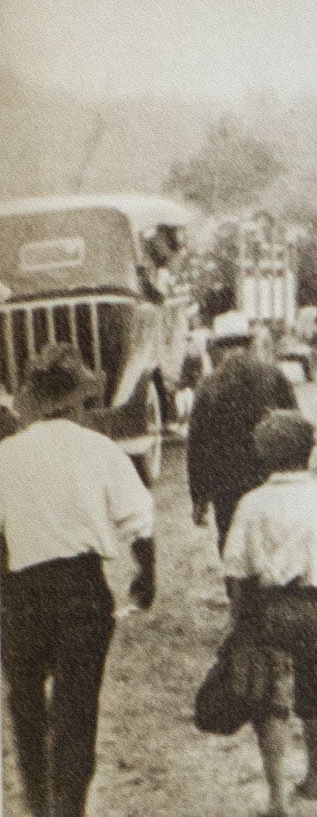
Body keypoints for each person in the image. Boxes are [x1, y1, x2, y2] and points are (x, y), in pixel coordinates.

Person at [0, 344, 157, 817]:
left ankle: (39, 805)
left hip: (19, 591)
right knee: (77, 708)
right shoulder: (99, 448)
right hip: (81, 590)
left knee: (26, 704)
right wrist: (147, 574)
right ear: (77, 400)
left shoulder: (5, 455)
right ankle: (71, 808)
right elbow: (139, 522)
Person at [220, 411, 317, 817]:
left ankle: (276, 800)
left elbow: (238, 573)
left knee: (270, 701)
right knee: (314, 692)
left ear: (262, 454)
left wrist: (236, 625)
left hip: (267, 610)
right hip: (314, 609)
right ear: (309, 451)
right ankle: (316, 779)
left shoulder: (252, 503)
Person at [190, 313, 300, 550]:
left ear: (217, 348)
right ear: (249, 343)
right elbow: (294, 425)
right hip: (269, 475)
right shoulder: (273, 374)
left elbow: (196, 444)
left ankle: (237, 587)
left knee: (232, 546)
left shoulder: (208, 386)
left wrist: (199, 498)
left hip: (225, 483)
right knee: (273, 540)